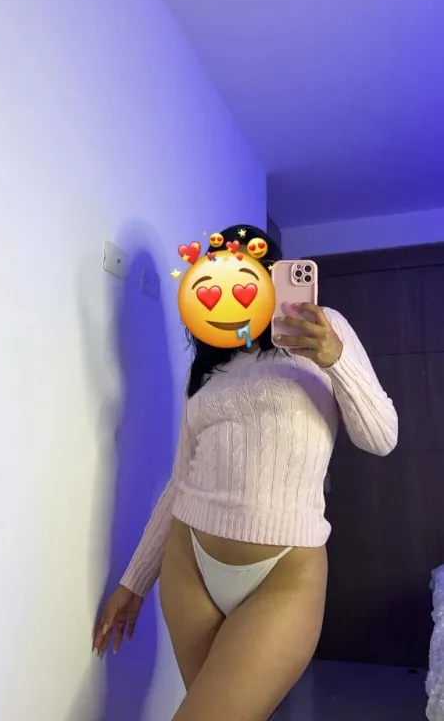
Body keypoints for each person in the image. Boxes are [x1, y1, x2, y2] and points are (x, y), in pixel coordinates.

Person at [94, 224, 398, 721]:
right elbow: (180, 481)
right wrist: (134, 581)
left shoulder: (325, 331)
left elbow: (382, 437)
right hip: (190, 564)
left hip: (286, 573)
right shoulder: (207, 368)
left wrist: (334, 359)